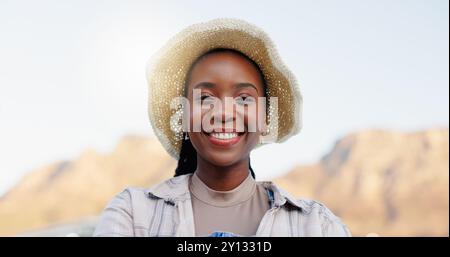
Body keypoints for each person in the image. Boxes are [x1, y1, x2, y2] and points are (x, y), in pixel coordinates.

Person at [94, 18, 351, 237]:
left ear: (264, 119)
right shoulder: (131, 214)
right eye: (205, 98)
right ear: (184, 116)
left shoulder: (316, 226)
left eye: (244, 99)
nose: (224, 113)